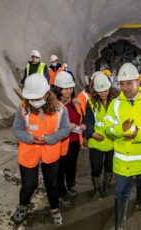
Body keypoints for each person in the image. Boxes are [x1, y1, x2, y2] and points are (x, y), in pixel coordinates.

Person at [104, 63, 141, 229]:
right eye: (122, 84)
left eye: (129, 83)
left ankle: (140, 201)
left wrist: (138, 134)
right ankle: (119, 225)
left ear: (138, 82)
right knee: (120, 192)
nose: (125, 87)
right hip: (123, 161)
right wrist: (120, 130)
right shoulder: (115, 104)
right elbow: (107, 130)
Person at [12, 73, 70, 225]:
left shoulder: (60, 108)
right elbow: (17, 129)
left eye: (38, 98)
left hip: (50, 151)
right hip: (29, 150)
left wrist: (49, 139)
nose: (35, 102)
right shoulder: (23, 107)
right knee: (29, 184)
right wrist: (30, 138)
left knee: (52, 183)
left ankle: (54, 208)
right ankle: (23, 205)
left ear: (46, 93)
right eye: (32, 98)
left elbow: (65, 129)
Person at [53, 71, 85, 206]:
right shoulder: (53, 105)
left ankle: (70, 185)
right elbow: (50, 126)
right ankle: (61, 192)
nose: (68, 91)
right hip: (60, 141)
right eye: (65, 88)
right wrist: (67, 127)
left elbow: (82, 116)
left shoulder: (75, 102)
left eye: (70, 88)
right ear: (58, 89)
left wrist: (82, 125)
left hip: (74, 140)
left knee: (72, 165)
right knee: (60, 168)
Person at [83, 72, 118, 197]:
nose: (103, 93)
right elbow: (88, 120)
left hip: (112, 142)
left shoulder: (116, 102)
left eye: (105, 90)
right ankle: (96, 187)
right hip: (96, 142)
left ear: (110, 88)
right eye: (100, 91)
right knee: (96, 168)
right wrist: (91, 133)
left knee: (109, 167)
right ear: (95, 91)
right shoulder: (91, 103)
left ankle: (106, 185)